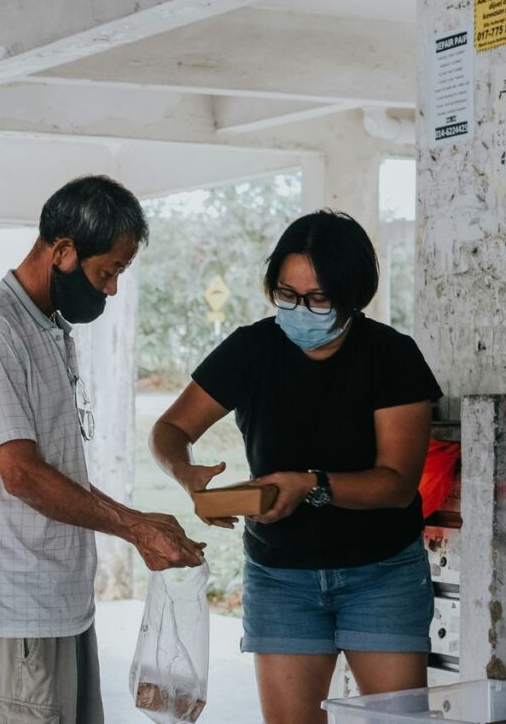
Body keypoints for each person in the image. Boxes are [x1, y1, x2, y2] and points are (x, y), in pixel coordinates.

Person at [150, 210, 442, 724]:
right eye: (287, 294)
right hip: (282, 575)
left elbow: (396, 485)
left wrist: (311, 486)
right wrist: (186, 473)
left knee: (397, 721)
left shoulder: (392, 357)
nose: (301, 310)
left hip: (381, 573)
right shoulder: (252, 348)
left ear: (354, 295)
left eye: (319, 298)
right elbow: (169, 430)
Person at [0, 175, 205, 724]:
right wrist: (133, 527)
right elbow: (22, 475)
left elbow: (54, 471)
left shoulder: (46, 328)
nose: (110, 289)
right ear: (62, 251)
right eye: (106, 271)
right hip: (12, 621)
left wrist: (138, 522)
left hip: (56, 609)